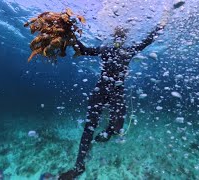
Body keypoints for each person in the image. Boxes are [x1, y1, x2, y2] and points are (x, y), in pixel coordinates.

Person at [40, 2, 185, 179]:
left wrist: (162, 23)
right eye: (117, 34)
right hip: (101, 90)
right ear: (114, 36)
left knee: (117, 126)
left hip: (116, 91)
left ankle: (108, 132)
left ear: (124, 38)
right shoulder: (104, 49)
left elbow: (148, 40)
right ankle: (79, 167)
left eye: (121, 35)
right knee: (89, 127)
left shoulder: (129, 51)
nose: (119, 37)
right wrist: (70, 34)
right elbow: (83, 50)